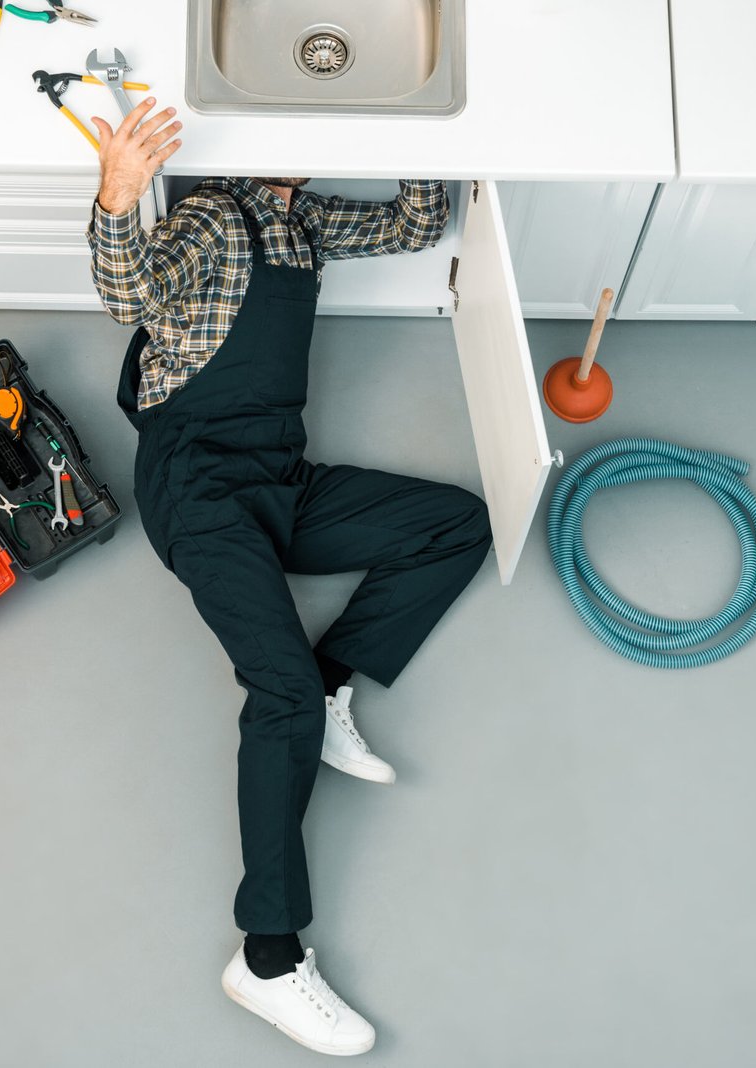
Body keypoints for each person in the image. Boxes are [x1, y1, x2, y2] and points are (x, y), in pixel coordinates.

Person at [86, 99, 492, 1057]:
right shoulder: (213, 218)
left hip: (278, 480)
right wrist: (116, 197)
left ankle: (332, 678)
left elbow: (418, 222)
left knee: (455, 525)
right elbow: (129, 296)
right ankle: (266, 956)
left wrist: (426, 129)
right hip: (202, 491)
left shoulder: (301, 224)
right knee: (278, 699)